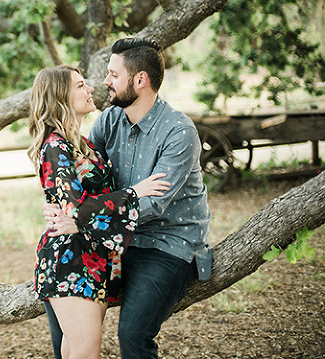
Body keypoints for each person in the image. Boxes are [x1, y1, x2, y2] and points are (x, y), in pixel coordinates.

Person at [43, 37, 212, 359]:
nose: (105, 81)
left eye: (113, 74)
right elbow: (87, 178)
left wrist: (79, 221)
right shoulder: (108, 121)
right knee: (62, 309)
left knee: (133, 333)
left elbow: (153, 203)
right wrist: (58, 203)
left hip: (165, 242)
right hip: (112, 240)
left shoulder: (179, 131)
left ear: (140, 80)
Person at [28, 65, 170, 359]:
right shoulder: (55, 146)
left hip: (92, 256)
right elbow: (74, 209)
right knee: (85, 351)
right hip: (71, 259)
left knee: (76, 350)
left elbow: (83, 203)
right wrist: (134, 193)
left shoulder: (80, 143)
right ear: (60, 97)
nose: (90, 88)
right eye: (80, 86)